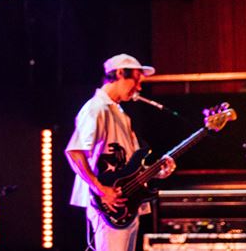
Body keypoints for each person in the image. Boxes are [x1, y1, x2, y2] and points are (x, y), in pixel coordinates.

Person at [65, 53, 176, 251]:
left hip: (127, 205)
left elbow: (131, 165)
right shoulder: (96, 108)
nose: (139, 88)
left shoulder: (120, 114)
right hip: (110, 204)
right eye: (136, 80)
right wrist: (101, 190)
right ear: (119, 74)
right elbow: (75, 152)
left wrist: (157, 171)